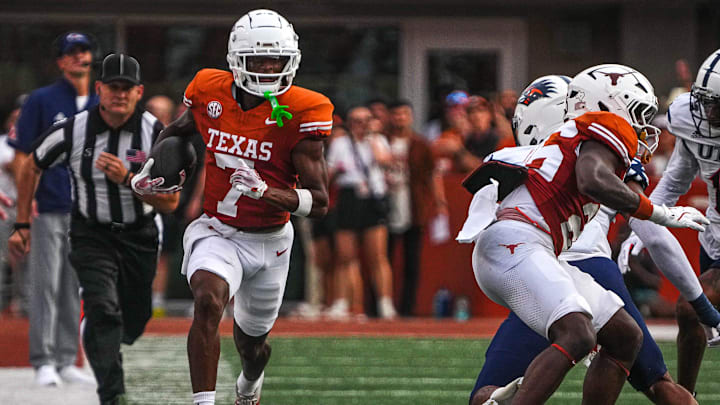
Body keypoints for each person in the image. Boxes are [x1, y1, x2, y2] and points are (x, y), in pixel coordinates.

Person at [457, 64, 709, 404]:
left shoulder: (538, 149)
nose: (642, 126)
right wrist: (662, 213)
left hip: (540, 255)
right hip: (522, 248)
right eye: (637, 112)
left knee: (624, 336)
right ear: (606, 106)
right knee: (577, 334)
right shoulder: (602, 129)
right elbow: (593, 181)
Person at [130, 9, 333, 405]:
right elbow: (179, 132)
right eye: (260, 60)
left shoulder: (303, 111)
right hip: (217, 228)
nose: (270, 68)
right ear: (237, 61)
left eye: (277, 60)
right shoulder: (209, 89)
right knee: (207, 302)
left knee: (252, 346)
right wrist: (152, 167)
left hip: (271, 241)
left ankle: (249, 385)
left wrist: (266, 192)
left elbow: (320, 202)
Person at [9, 53, 179, 405]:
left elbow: (171, 201)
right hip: (92, 232)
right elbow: (30, 165)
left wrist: (129, 179)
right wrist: (22, 224)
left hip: (138, 234)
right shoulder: (74, 129)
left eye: (127, 88)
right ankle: (112, 392)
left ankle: (109, 336)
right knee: (102, 308)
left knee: (134, 318)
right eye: (113, 87)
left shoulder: (156, 133)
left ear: (138, 92)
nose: (119, 94)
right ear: (99, 89)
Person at [617, 48, 720, 396]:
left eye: (716, 103)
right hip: (715, 242)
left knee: (690, 306)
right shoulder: (694, 123)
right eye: (705, 100)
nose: (707, 111)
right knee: (691, 311)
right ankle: (686, 397)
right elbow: (674, 182)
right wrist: (639, 228)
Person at [8, 31, 99, 387]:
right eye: (72, 53)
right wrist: (25, 205)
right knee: (45, 283)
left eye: (84, 51)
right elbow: (21, 155)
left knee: (73, 286)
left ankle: (66, 358)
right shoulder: (42, 100)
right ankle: (43, 359)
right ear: (61, 61)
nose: (80, 58)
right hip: (49, 205)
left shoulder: (101, 99)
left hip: (89, 209)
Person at [325, 106, 397, 320]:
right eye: (357, 121)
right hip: (349, 195)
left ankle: (385, 303)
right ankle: (343, 302)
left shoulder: (378, 141)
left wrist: (373, 137)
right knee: (345, 255)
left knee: (378, 256)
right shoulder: (340, 143)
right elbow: (329, 173)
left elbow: (385, 161)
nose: (361, 125)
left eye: (366, 120)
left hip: (372, 198)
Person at [385, 100, 446, 316]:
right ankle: (382, 305)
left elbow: (433, 174)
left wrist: (439, 202)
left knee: (412, 262)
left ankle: (407, 308)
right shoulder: (382, 141)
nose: (400, 118)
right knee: (385, 259)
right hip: (386, 207)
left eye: (404, 114)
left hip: (415, 207)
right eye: (396, 114)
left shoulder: (420, 144)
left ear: (410, 117)